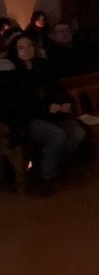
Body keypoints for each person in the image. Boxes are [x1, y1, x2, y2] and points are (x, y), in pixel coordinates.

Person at [6, 34, 85, 196]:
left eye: (29, 46)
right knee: (57, 135)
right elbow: (19, 105)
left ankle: (53, 162)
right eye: (22, 48)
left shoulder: (43, 67)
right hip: (29, 119)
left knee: (78, 133)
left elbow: (58, 89)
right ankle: (46, 177)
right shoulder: (12, 75)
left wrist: (65, 102)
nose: (27, 50)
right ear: (16, 51)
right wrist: (46, 108)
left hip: (54, 115)